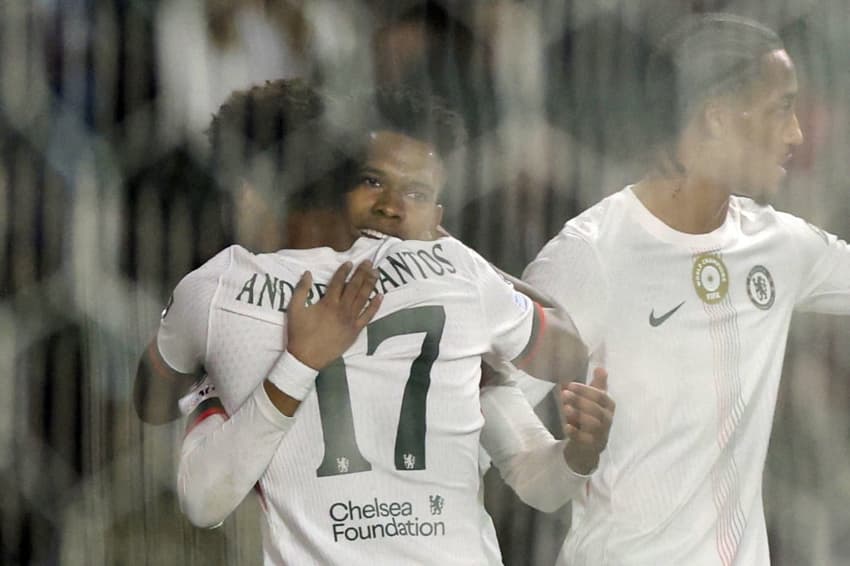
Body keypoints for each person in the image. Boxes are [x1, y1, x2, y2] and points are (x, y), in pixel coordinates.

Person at [135, 79, 614, 563]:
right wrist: (454, 256)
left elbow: (165, 425)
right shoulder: (456, 281)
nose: (391, 206)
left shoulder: (218, 289)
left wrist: (211, 387)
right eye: (373, 181)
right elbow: (565, 351)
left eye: (416, 193)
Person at [523, 13, 849, 566]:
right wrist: (571, 459)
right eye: (781, 108)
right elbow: (491, 413)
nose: (796, 132)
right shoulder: (593, 253)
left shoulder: (781, 246)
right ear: (718, 117)